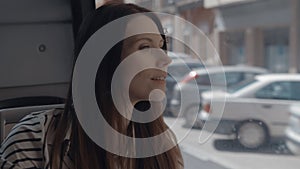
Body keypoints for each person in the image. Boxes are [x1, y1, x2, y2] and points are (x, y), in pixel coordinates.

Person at [0, 2, 183, 169]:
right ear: (102, 59)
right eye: (144, 47)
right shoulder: (32, 141)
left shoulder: (162, 143)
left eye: (161, 46)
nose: (165, 59)